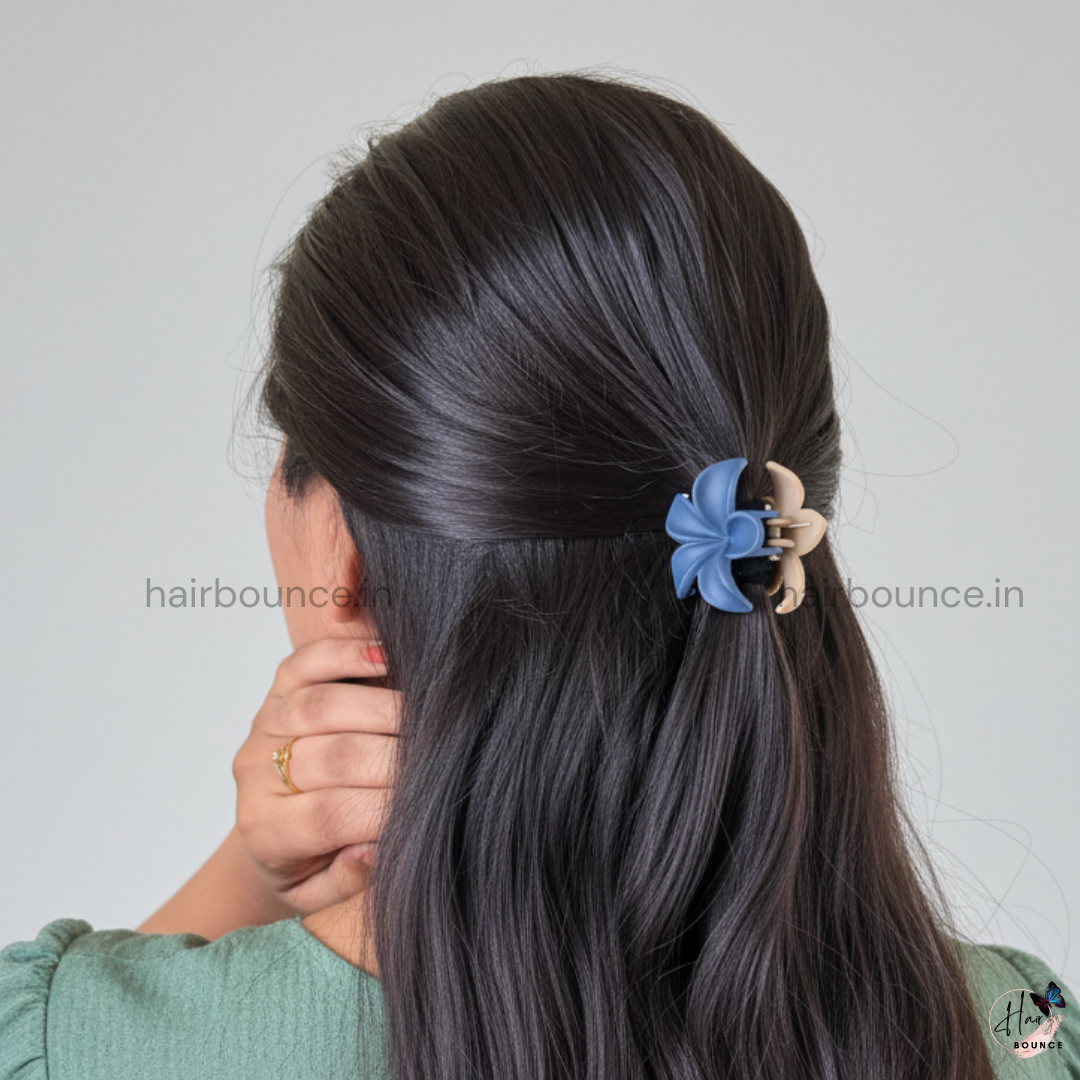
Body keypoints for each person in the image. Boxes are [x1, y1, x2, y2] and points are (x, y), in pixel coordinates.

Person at [0, 70, 1075, 1080]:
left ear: (340, 552)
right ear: (781, 523)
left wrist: (254, 872)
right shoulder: (1020, 1028)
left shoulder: (70, 1036)